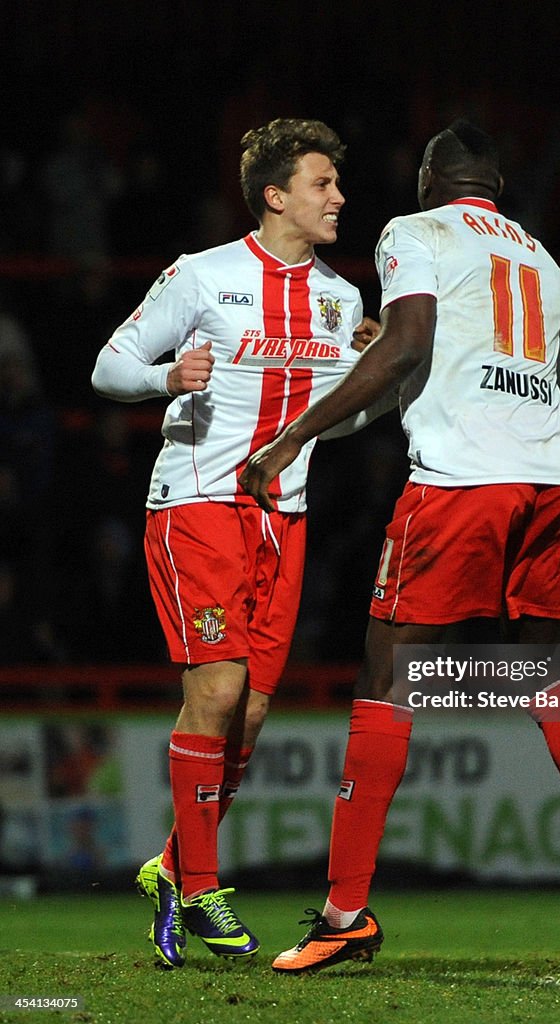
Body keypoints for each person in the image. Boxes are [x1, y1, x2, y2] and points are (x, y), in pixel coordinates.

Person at [240, 120, 560, 978]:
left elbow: (412, 345)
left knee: (387, 674)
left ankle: (344, 913)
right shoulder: (542, 259)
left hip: (463, 482)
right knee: (540, 674)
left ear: (430, 176)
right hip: (553, 475)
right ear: (495, 185)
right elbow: (481, 354)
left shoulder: (414, 231)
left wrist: (292, 439)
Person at [92, 118, 388, 969]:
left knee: (251, 710)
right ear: (275, 194)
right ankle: (204, 888)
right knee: (216, 692)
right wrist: (163, 378)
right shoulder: (202, 276)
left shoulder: (339, 300)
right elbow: (108, 367)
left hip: (283, 516)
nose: (338, 198)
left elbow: (344, 423)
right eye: (323, 184)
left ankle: (170, 868)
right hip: (198, 505)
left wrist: (379, 378)